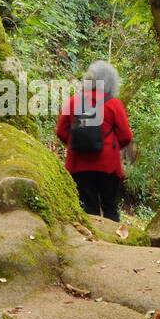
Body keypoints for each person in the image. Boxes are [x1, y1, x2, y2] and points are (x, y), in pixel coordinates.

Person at [56, 60, 133, 222]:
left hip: (78, 165)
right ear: (112, 82)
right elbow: (126, 136)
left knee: (88, 208)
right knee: (110, 208)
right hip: (108, 166)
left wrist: (76, 144)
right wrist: (111, 147)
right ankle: (113, 243)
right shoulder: (114, 104)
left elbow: (61, 131)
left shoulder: (74, 101)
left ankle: (92, 240)